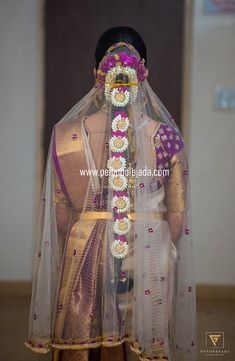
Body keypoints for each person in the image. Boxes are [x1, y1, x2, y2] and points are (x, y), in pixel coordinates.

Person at [24, 26, 197, 361]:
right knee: (143, 348)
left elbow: (60, 218)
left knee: (86, 346)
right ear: (143, 72)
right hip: (149, 257)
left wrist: (94, 232)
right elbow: (175, 225)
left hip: (83, 254)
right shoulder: (167, 137)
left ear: (96, 74)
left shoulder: (65, 135)